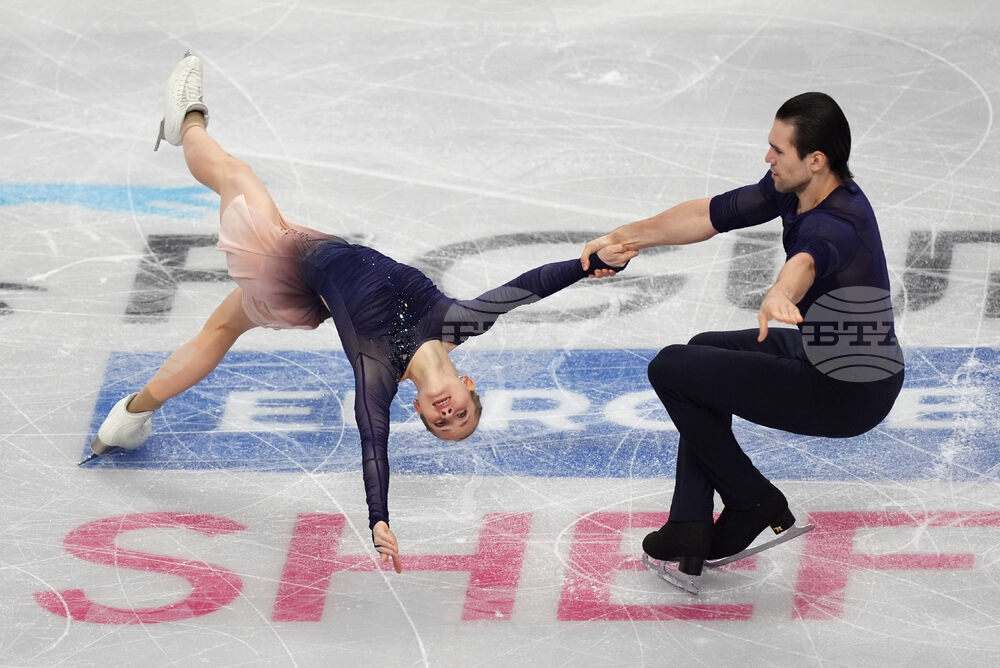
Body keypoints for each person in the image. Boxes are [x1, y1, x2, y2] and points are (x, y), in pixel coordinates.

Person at [89, 52, 634, 573]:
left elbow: (374, 446)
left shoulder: (377, 371)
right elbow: (527, 287)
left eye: (439, 423)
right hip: (310, 280)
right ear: (468, 385)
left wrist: (379, 521)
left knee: (234, 175)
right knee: (223, 327)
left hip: (287, 261)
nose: (448, 414)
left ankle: (185, 118)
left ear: (418, 407)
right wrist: (588, 265)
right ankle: (129, 416)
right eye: (461, 414)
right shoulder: (458, 323)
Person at [580, 92, 904, 584]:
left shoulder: (838, 224)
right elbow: (708, 214)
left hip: (849, 391)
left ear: (815, 160)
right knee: (701, 350)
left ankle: (752, 501)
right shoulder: (797, 190)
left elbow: (807, 261)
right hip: (826, 352)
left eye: (778, 150)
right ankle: (689, 525)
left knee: (671, 367)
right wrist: (623, 238)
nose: (767, 158)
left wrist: (780, 292)